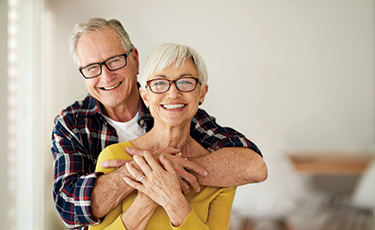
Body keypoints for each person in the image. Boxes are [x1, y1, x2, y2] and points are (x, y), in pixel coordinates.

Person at [51, 17, 267, 230]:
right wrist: (144, 172)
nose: (106, 76)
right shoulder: (73, 124)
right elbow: (69, 209)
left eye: (114, 60)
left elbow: (253, 164)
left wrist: (165, 168)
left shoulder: (177, 110)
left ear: (134, 59)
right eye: (91, 68)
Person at [90, 42, 237, 230]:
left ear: (202, 93)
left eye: (185, 82)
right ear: (145, 96)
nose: (173, 93)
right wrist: (148, 197)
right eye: (159, 83)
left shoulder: (222, 176)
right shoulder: (113, 158)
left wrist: (173, 201)